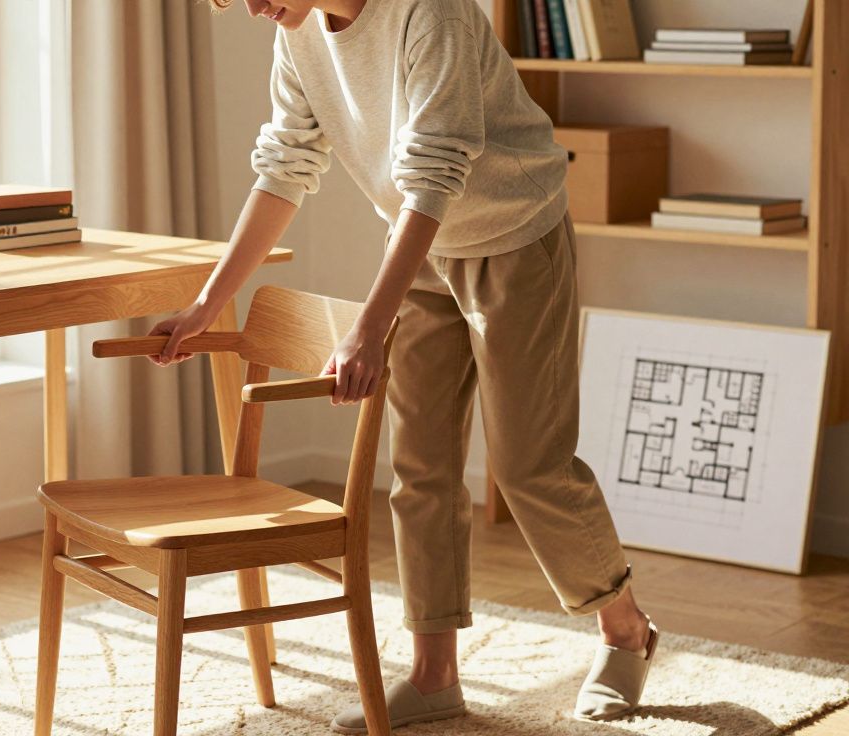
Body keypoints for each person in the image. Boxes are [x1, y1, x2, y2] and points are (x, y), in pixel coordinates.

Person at [149, 0, 659, 731]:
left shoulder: (431, 12)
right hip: (420, 246)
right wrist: (207, 302)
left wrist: (369, 322)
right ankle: (434, 674)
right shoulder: (297, 36)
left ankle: (625, 629)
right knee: (419, 465)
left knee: (528, 467)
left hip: (514, 234)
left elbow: (435, 171)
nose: (255, 8)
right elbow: (286, 164)